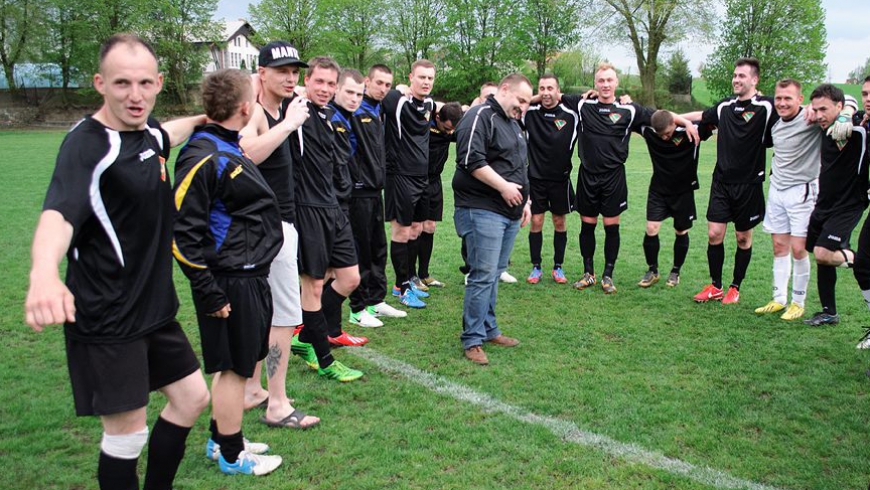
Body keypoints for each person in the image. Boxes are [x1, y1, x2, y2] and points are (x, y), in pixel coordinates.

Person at [24, 33, 210, 489]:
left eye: (145, 83)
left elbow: (169, 134)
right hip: (107, 316)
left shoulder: (148, 132)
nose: (136, 95)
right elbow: (58, 214)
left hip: (154, 311)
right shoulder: (87, 145)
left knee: (191, 398)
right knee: (127, 435)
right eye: (122, 83)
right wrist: (43, 273)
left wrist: (205, 117)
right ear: (100, 83)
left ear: (159, 82)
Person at [173, 68, 285, 475]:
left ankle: (221, 439)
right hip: (230, 280)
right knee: (235, 369)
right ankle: (234, 455)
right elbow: (182, 235)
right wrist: (210, 291)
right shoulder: (205, 155)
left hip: (249, 274)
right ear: (245, 106)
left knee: (239, 363)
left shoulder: (226, 144)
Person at [238, 41, 320, 429]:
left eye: (294, 71)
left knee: (266, 314)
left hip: (277, 225)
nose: (291, 78)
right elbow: (246, 153)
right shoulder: (257, 112)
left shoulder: (278, 107)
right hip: (270, 228)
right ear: (262, 74)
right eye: (282, 71)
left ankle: (253, 388)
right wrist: (288, 123)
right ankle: (278, 403)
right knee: (285, 318)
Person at [560, 62, 698, 294]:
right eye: (601, 80)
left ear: (616, 82)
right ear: (595, 83)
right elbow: (554, 96)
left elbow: (660, 116)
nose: (605, 84)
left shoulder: (629, 109)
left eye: (609, 80)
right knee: (587, 225)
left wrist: (684, 122)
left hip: (613, 177)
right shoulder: (583, 103)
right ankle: (588, 273)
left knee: (611, 227)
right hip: (587, 176)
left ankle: (607, 276)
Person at [287, 56, 365, 381]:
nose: (325, 88)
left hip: (334, 208)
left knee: (350, 278)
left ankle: (307, 335)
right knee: (314, 286)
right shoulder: (296, 111)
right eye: (319, 81)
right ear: (307, 81)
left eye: (331, 83)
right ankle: (325, 360)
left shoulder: (330, 115)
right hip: (307, 210)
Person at [754, 79, 857, 320]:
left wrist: (845, 115)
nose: (782, 103)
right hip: (777, 190)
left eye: (788, 98)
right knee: (779, 247)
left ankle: (797, 303)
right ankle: (779, 299)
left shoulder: (811, 118)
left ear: (800, 100)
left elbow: (847, 101)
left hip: (802, 192)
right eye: (778, 98)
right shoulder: (776, 123)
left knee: (799, 249)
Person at [683, 58, 779, 305]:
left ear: (754, 80)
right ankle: (715, 286)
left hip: (749, 185)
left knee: (742, 239)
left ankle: (735, 287)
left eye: (742, 76)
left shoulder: (767, 106)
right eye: (735, 75)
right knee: (714, 234)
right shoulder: (725, 106)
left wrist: (844, 113)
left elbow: (795, 112)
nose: (736, 80)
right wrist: (673, 117)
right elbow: (702, 117)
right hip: (722, 183)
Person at [453, 73, 534, 365]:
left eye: (527, 102)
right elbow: (470, 160)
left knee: (494, 273)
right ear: (503, 90)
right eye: (520, 100)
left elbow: (520, 166)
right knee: (482, 275)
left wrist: (527, 201)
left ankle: (489, 329)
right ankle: (472, 339)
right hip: (481, 208)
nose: (523, 107)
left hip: (510, 211)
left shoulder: (514, 122)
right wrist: (503, 187)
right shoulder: (480, 115)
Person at [347, 64, 408, 327]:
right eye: (379, 83)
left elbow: (401, 94)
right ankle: (357, 308)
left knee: (377, 248)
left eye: (388, 84)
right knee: (361, 250)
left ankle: (376, 300)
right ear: (367, 81)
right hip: (358, 192)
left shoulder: (378, 109)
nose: (383, 88)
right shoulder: (354, 109)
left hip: (375, 190)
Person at [802, 83, 867, 326]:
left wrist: (848, 112)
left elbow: (852, 103)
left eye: (824, 110)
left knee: (824, 252)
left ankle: (862, 262)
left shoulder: (856, 128)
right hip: (824, 203)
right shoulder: (822, 127)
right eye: (815, 109)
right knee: (818, 253)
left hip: (848, 204)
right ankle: (829, 311)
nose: (819, 115)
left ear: (838, 107)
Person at [324, 68, 374, 343]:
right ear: (336, 90)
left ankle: (330, 330)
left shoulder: (346, 117)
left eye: (359, 93)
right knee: (331, 273)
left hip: (342, 201)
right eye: (350, 92)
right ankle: (310, 328)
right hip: (328, 205)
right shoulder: (330, 118)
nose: (355, 98)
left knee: (332, 272)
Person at [382, 59, 436, 308]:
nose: (426, 82)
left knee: (416, 229)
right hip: (400, 176)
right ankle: (400, 287)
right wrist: (400, 88)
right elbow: (386, 93)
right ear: (411, 77)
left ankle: (409, 280)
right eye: (421, 77)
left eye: (430, 78)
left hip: (422, 177)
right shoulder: (398, 101)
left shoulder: (430, 104)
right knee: (401, 232)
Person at [637, 110, 712, 288]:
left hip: (683, 191)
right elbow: (636, 110)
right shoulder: (649, 130)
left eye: (668, 134)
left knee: (681, 231)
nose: (664, 138)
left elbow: (707, 114)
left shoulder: (693, 131)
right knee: (651, 228)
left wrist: (685, 122)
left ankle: (675, 271)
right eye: (660, 135)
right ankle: (652, 270)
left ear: (674, 124)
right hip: (658, 190)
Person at [523, 74, 578, 284]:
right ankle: (536, 266)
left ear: (558, 90)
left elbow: (587, 100)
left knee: (559, 221)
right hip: (535, 179)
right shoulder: (530, 113)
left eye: (550, 88)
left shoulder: (571, 115)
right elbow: (516, 103)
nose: (546, 92)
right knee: (536, 221)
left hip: (560, 180)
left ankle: (558, 267)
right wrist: (536, 98)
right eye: (542, 88)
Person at [416, 101, 463, 288]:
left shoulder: (451, 130)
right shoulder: (424, 125)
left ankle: (424, 274)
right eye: (447, 128)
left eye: (453, 129)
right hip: (418, 180)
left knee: (430, 227)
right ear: (437, 118)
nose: (450, 133)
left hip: (435, 181)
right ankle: (411, 277)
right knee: (415, 229)